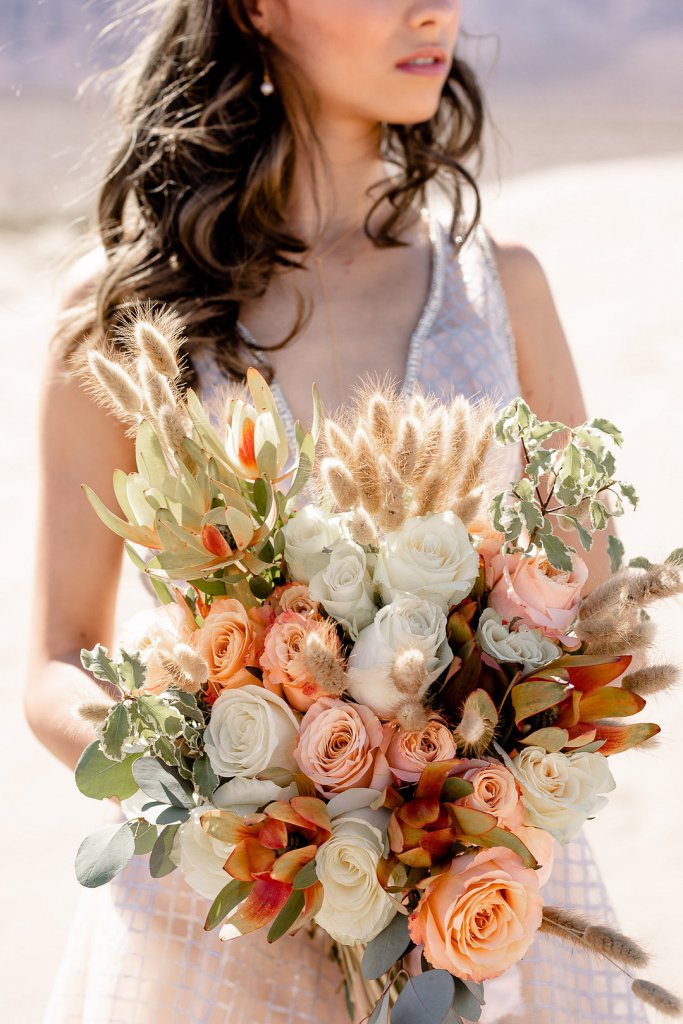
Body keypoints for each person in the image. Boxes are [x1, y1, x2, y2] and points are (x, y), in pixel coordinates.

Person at [25, 1, 649, 1022]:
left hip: (475, 916)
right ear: (256, 8)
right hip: (225, 915)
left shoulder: (500, 291)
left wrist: (452, 777)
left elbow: (587, 618)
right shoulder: (124, 313)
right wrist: (231, 779)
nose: (432, 9)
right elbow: (56, 660)